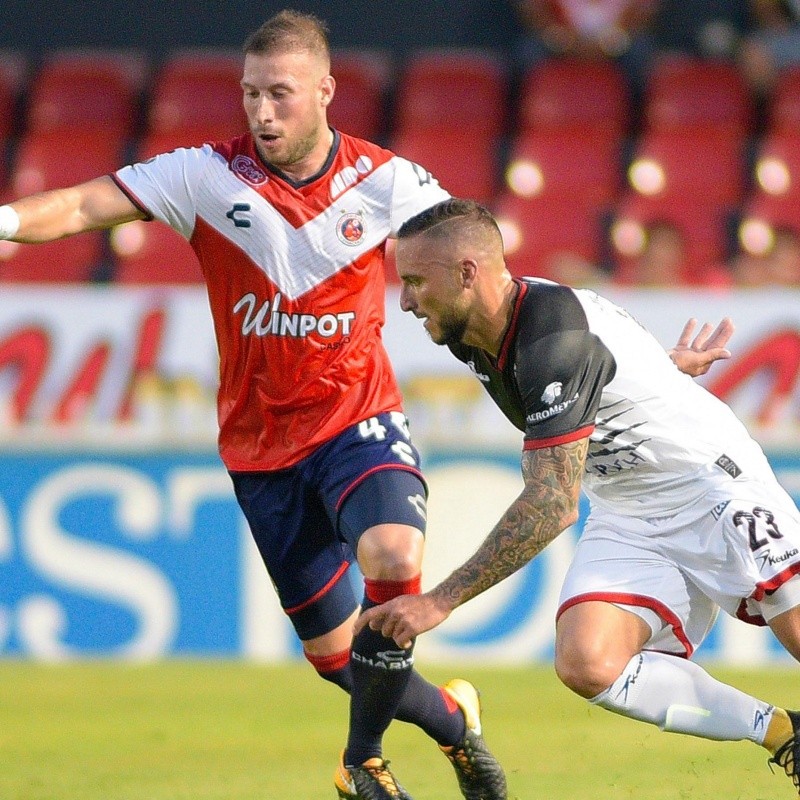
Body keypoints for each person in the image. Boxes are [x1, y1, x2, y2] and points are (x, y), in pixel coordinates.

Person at [0, 11, 509, 800]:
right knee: (341, 660)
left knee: (393, 557)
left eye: (281, 94)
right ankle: (454, 723)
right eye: (251, 95)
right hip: (261, 449)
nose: (264, 112)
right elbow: (78, 208)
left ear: (326, 91)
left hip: (356, 420)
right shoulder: (205, 177)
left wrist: (567, 336)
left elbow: (478, 258)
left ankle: (360, 762)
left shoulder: (387, 183)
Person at [357, 197, 800, 797]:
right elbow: (601, 365)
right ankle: (783, 733)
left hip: (709, 483)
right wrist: (662, 370)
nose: (405, 300)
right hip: (628, 507)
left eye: (414, 281)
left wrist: (440, 600)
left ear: (468, 272)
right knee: (588, 663)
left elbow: (551, 504)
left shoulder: (547, 335)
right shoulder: (472, 334)